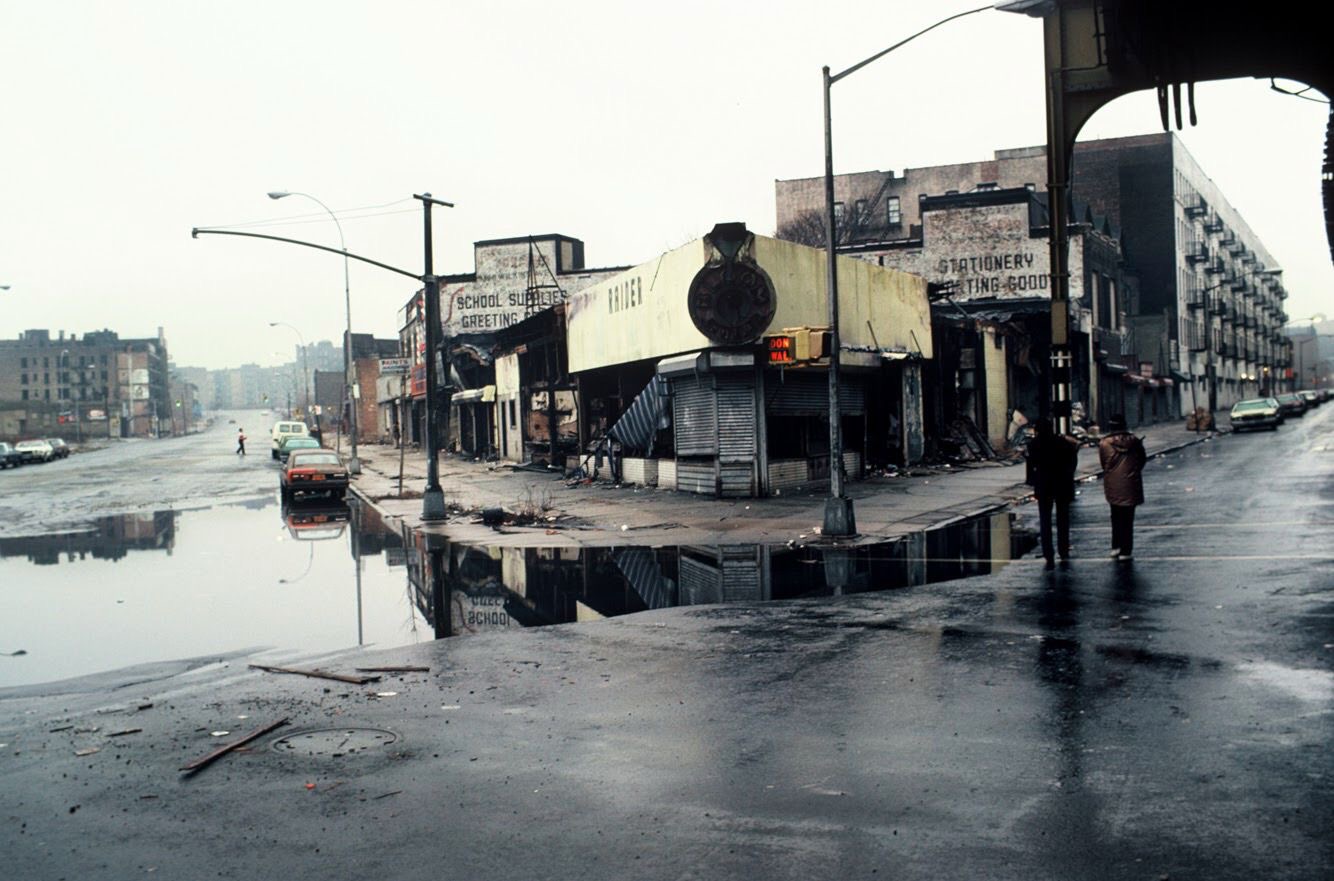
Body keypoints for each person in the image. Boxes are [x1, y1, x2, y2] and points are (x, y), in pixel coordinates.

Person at [1025, 418, 1078, 569]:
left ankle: (1048, 552)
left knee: (1045, 519)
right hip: (1062, 483)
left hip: (1044, 484)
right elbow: (1072, 460)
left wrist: (1032, 480)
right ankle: (1063, 549)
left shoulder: (1033, 444)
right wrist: (1068, 474)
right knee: (1063, 519)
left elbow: (1031, 464)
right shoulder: (1063, 443)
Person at [1098, 414, 1146, 561]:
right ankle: (1126, 550)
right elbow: (1142, 460)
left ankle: (1115, 546)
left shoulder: (1105, 443)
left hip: (1113, 484)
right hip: (1131, 483)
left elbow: (1103, 463)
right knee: (1128, 518)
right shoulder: (1135, 441)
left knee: (1115, 515)